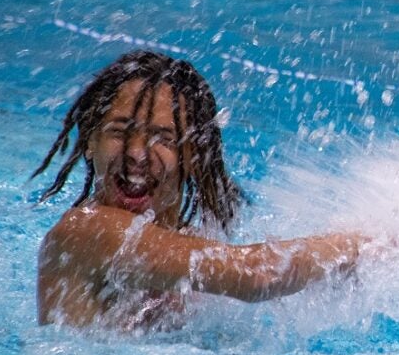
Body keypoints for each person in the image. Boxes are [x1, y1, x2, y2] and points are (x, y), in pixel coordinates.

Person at [33, 50, 363, 330]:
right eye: (120, 132)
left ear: (192, 156)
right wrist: (367, 245)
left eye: (162, 139)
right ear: (90, 142)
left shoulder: (188, 241)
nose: (137, 153)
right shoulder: (83, 232)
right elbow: (257, 275)